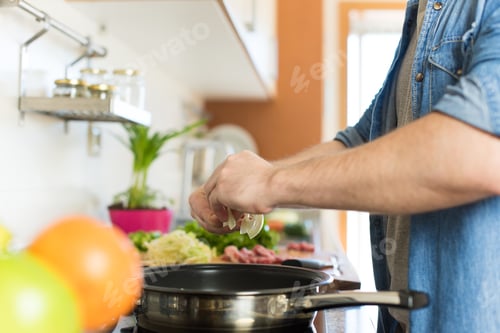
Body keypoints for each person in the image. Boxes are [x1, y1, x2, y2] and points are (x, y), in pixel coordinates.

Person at [189, 0, 500, 332]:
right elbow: (360, 141)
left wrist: (269, 183)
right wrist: (251, 181)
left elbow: (475, 151)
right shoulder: (423, 14)